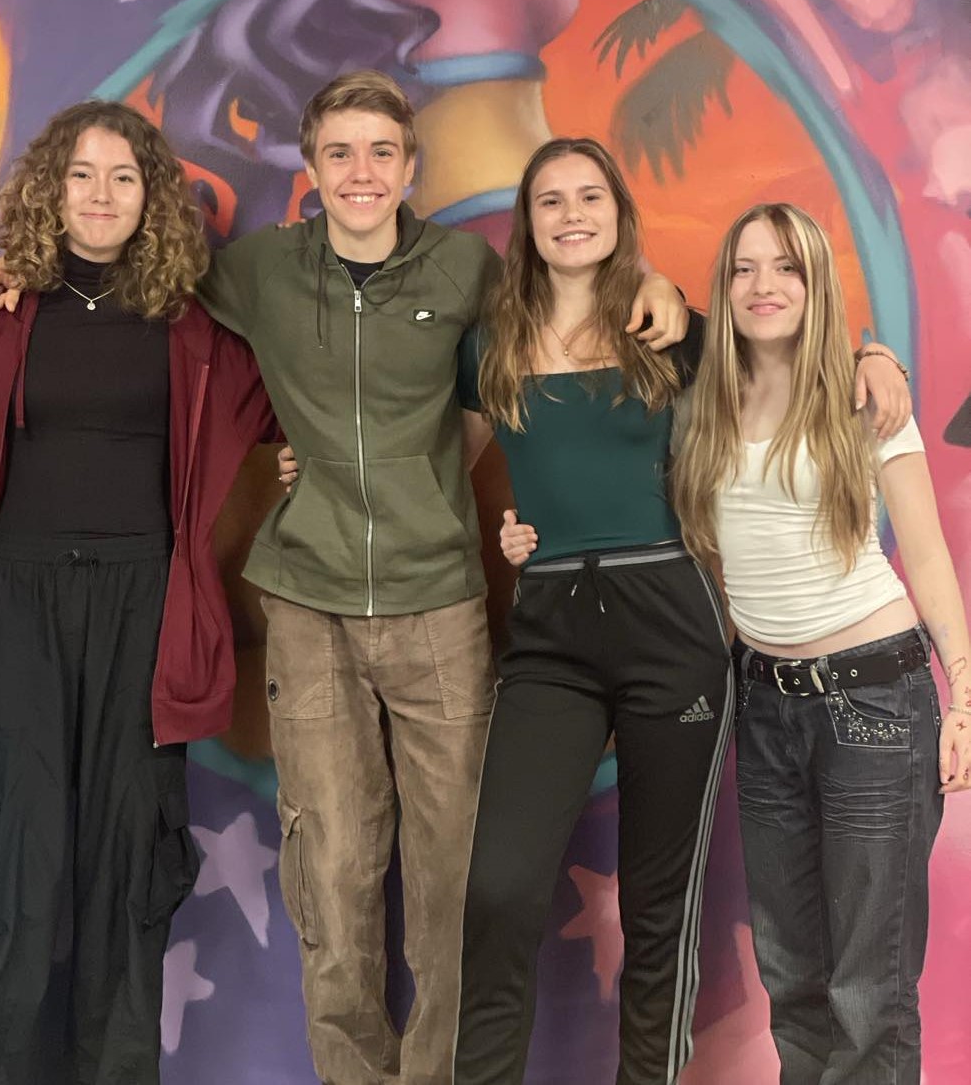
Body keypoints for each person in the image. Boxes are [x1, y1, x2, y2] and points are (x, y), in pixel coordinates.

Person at [193, 74, 700, 1085]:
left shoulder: (465, 267)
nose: (362, 172)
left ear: (411, 166)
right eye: (340, 152)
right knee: (333, 866)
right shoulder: (261, 268)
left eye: (382, 151)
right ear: (310, 166)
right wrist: (11, 274)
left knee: (454, 873)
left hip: (440, 602)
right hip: (309, 600)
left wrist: (661, 284)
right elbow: (149, 287)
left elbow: (571, 293)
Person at [448, 140, 911, 1085]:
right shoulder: (486, 347)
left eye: (590, 197)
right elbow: (434, 470)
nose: (571, 215)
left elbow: (789, 348)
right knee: (498, 889)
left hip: (674, 627)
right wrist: (503, 529)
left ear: (620, 213)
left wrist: (872, 355)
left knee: (660, 907)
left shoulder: (676, 330)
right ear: (527, 223)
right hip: (550, 634)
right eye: (550, 200)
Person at [0, 101, 275, 1085]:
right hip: (16, 603)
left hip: (146, 604)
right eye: (82, 175)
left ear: (152, 198)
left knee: (128, 853)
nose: (101, 196)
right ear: (51, 191)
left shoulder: (195, 327)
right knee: (19, 852)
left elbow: (315, 391)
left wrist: (306, 453)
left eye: (123, 177)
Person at [669, 202, 971, 1083]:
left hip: (874, 702)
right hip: (765, 705)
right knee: (793, 977)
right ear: (724, 287)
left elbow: (928, 557)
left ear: (816, 283)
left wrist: (965, 696)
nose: (763, 286)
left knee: (868, 992)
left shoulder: (861, 393)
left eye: (786, 267)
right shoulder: (704, 405)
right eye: (744, 268)